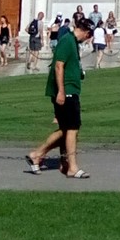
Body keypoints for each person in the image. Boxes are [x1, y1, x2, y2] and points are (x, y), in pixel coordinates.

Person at [28, 17, 90, 178]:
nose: (87, 39)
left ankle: (49, 158)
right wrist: (61, 91)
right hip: (66, 90)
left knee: (66, 129)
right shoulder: (67, 41)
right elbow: (58, 65)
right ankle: (72, 167)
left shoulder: (73, 43)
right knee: (72, 129)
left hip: (71, 89)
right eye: (88, 35)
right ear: (86, 32)